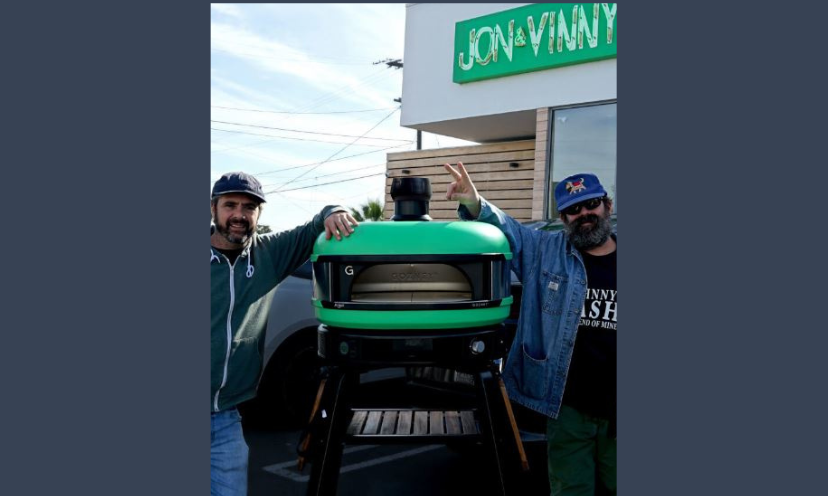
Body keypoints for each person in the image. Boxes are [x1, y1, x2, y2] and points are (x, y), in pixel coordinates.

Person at [444, 162, 616, 496]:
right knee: (571, 490)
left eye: (591, 204)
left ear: (607, 205)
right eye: (573, 209)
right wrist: (474, 203)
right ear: (564, 218)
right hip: (569, 408)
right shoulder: (546, 251)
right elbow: (508, 229)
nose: (584, 214)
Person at [210, 171, 358, 496]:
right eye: (230, 205)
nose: (239, 215)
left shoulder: (268, 255)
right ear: (213, 209)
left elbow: (315, 226)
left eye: (249, 207)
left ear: (259, 213)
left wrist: (334, 211)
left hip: (225, 418)